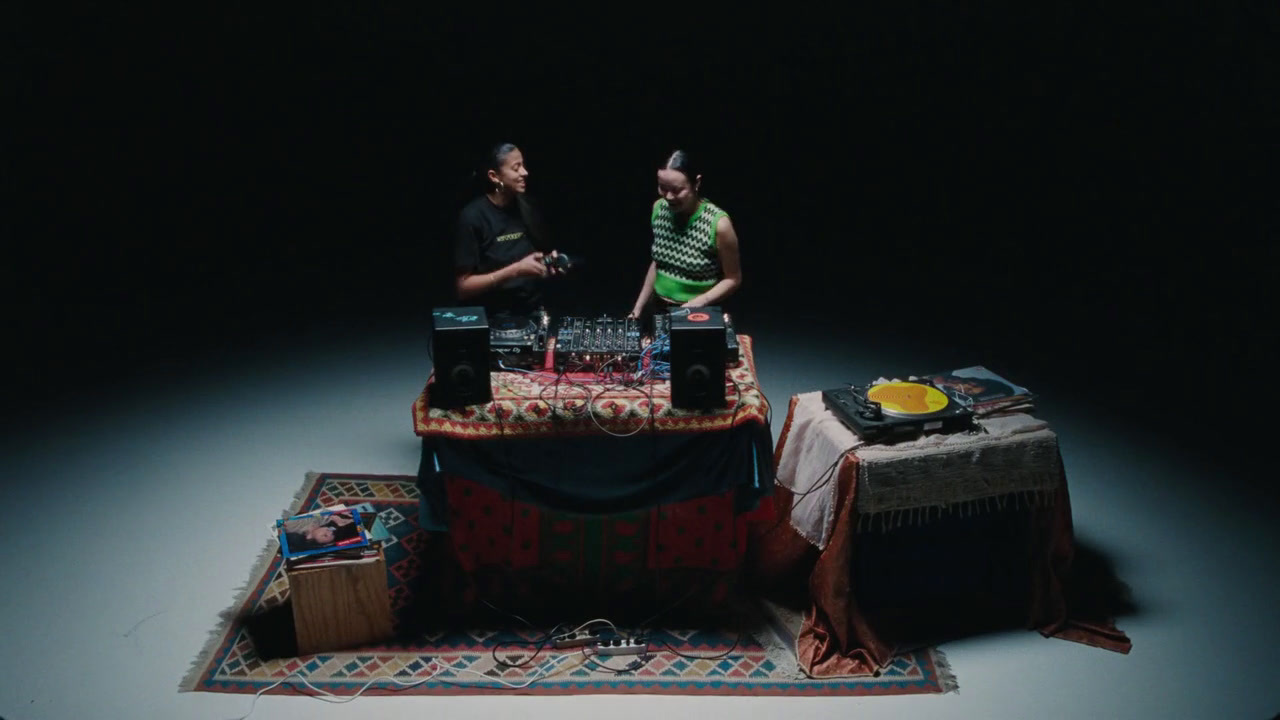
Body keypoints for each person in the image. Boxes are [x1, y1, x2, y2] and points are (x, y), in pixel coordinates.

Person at [453, 142, 566, 319]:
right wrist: (516, 270)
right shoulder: (472, 217)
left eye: (523, 165)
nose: (524, 172)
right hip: (493, 317)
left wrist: (548, 263)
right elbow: (463, 288)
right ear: (494, 176)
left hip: (533, 313)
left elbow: (537, 256)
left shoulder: (528, 208)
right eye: (516, 168)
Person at [628, 149, 742, 319]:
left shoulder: (718, 224)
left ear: (696, 183)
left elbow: (733, 278)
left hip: (698, 313)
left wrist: (698, 303)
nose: (669, 196)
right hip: (658, 308)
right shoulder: (659, 209)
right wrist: (637, 309)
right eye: (662, 188)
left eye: (676, 190)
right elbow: (659, 264)